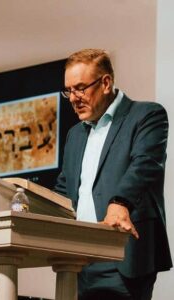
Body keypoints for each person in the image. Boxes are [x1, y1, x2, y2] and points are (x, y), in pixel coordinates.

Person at [54, 48, 172, 300]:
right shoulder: (74, 135)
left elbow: (145, 165)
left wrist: (120, 203)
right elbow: (64, 190)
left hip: (122, 255)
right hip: (80, 260)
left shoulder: (146, 115)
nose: (74, 98)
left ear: (105, 83)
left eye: (80, 88)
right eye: (68, 90)